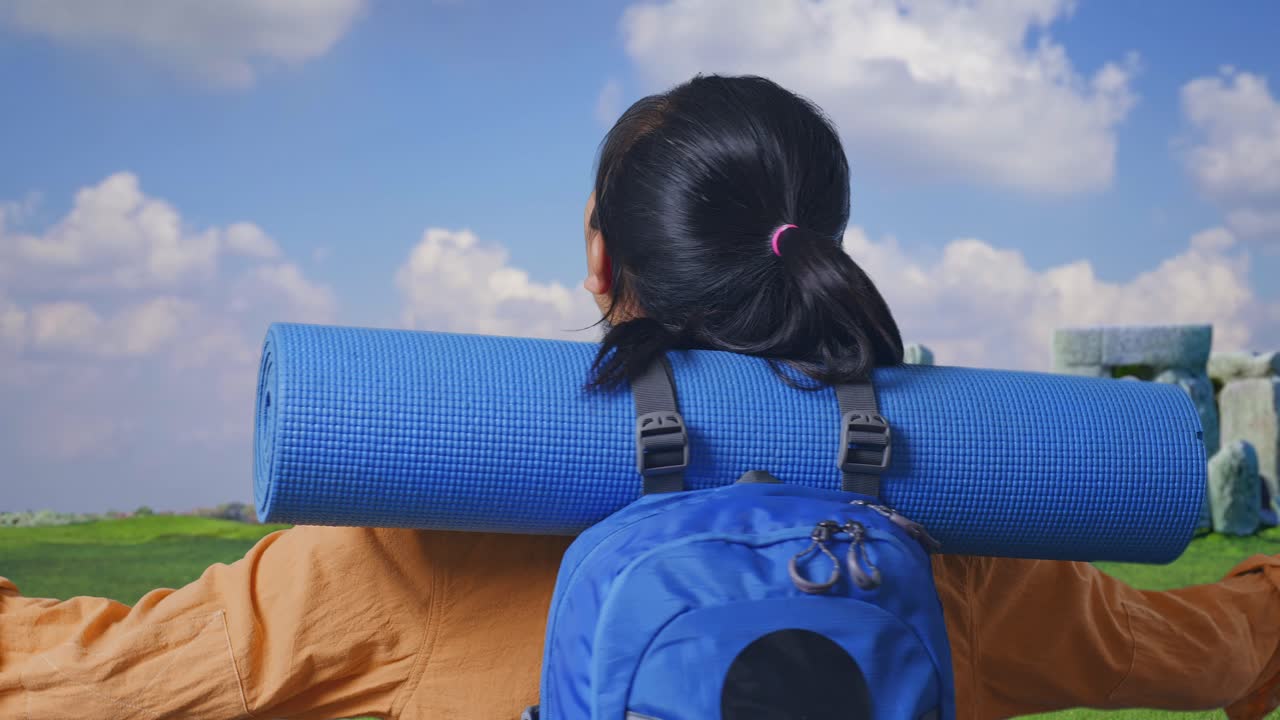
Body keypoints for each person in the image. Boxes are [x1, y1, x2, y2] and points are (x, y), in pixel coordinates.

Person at [2, 74, 1278, 720]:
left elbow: (85, 681)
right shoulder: (957, 544)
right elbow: (1205, 649)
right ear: (816, 248)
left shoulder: (406, 553)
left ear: (601, 257)